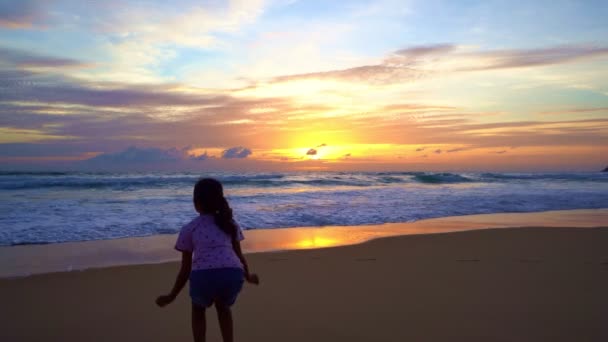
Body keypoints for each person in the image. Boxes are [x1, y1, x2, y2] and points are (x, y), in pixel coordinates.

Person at [156, 178, 259, 342]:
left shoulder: (190, 228)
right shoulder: (230, 224)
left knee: (198, 311)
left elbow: (185, 270)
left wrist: (172, 295)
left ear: (196, 203)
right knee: (223, 308)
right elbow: (239, 256)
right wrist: (248, 276)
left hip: (203, 277)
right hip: (232, 275)